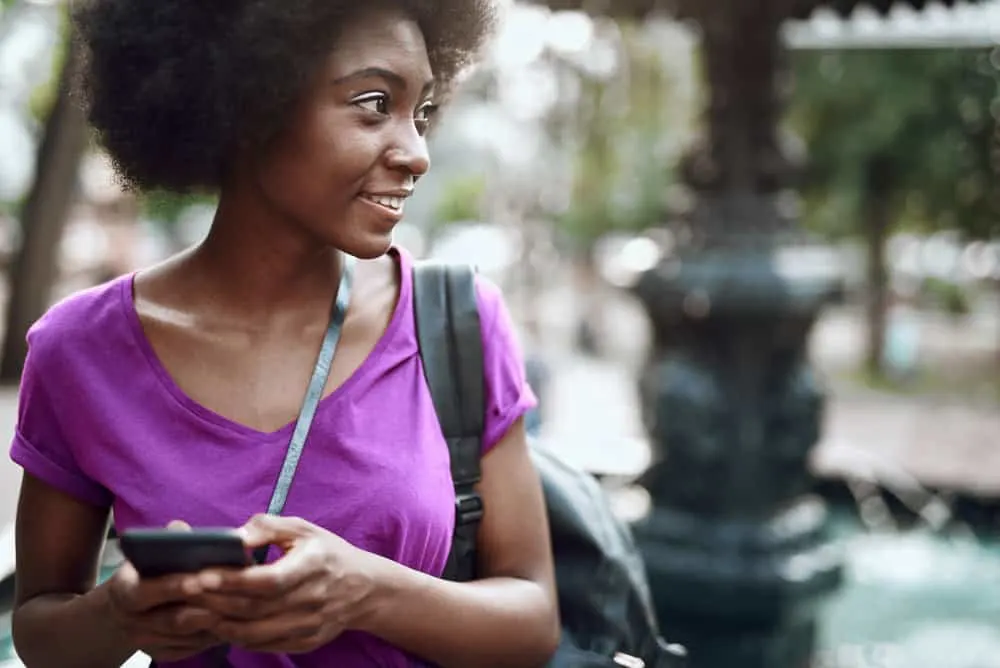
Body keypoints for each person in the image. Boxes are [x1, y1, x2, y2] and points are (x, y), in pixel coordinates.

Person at [8, 1, 560, 666]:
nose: (416, 154)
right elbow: (39, 630)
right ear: (249, 100)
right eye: (373, 103)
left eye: (422, 113)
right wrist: (122, 614)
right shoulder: (82, 350)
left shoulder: (455, 319)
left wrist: (369, 593)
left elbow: (532, 621)